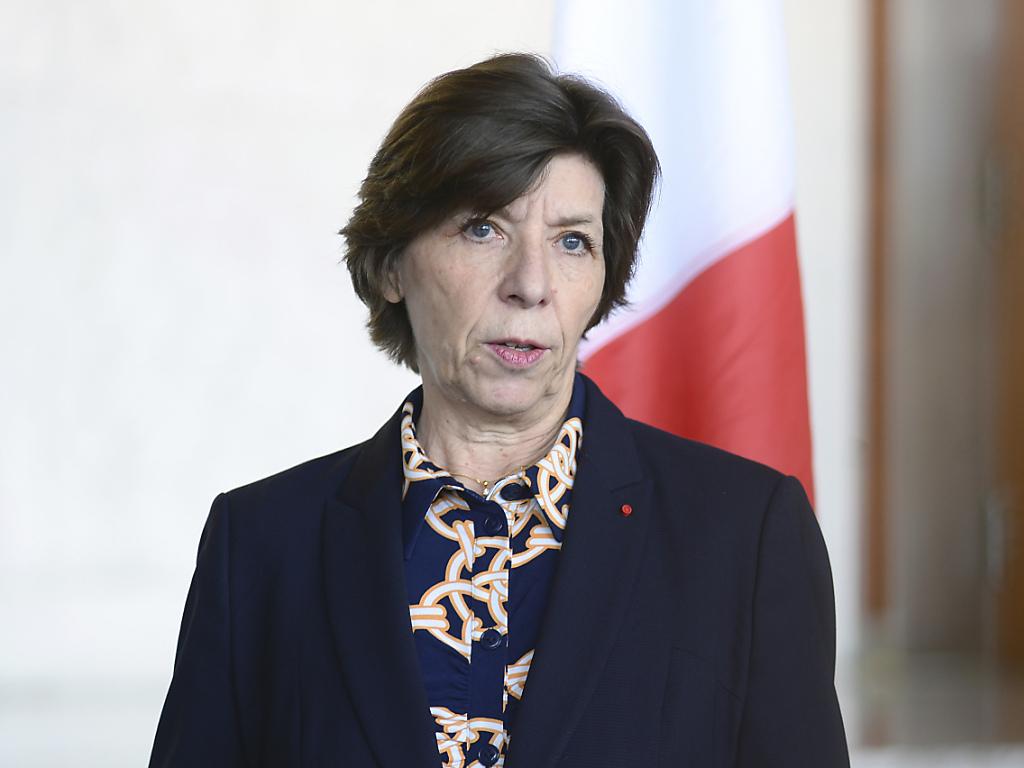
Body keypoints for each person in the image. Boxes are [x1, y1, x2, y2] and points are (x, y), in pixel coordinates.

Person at [149, 53, 850, 767]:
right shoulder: (262, 546)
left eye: (572, 241)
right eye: (484, 229)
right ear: (391, 265)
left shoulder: (746, 536)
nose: (531, 284)